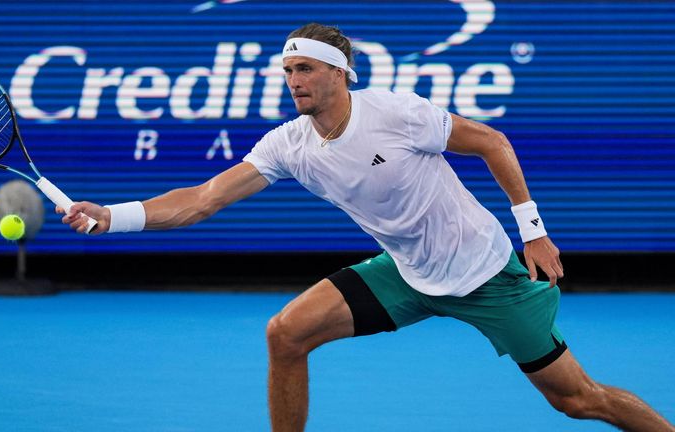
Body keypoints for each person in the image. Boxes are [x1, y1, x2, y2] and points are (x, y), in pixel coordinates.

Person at [59, 23, 675, 432]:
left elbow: (491, 141)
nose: (293, 81)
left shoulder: (398, 113)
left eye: (304, 69)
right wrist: (113, 217)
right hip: (407, 274)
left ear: (339, 72)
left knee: (577, 400)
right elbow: (201, 200)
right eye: (287, 71)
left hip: (488, 276)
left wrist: (532, 228)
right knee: (286, 335)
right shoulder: (289, 144)